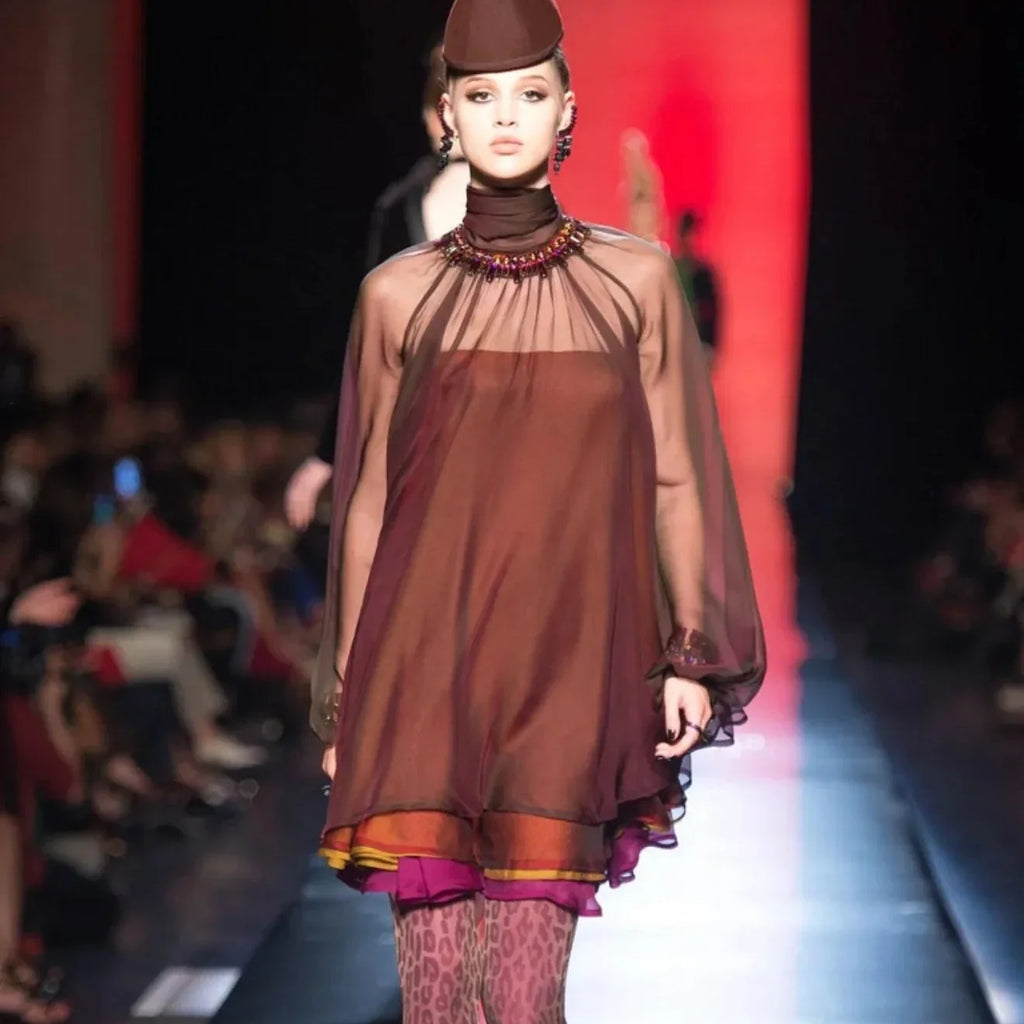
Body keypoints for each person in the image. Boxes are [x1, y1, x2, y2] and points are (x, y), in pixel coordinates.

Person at [312, 0, 766, 1019]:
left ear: (566, 111)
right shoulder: (394, 296)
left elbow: (677, 475)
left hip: (568, 670)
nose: (506, 115)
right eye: (481, 96)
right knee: (438, 1000)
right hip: (422, 670)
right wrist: (348, 693)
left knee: (521, 998)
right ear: (447, 117)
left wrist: (689, 651)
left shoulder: (635, 282)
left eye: (529, 93)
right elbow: (370, 498)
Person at [285, 44, 472, 532]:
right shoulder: (401, 208)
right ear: (433, 116)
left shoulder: (537, 207)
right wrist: (329, 452)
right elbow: (371, 339)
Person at [673, 209, 721, 360]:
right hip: (675, 345)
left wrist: (710, 346)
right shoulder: (671, 269)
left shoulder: (704, 274)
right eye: (687, 234)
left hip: (700, 345)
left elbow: (713, 313)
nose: (690, 240)